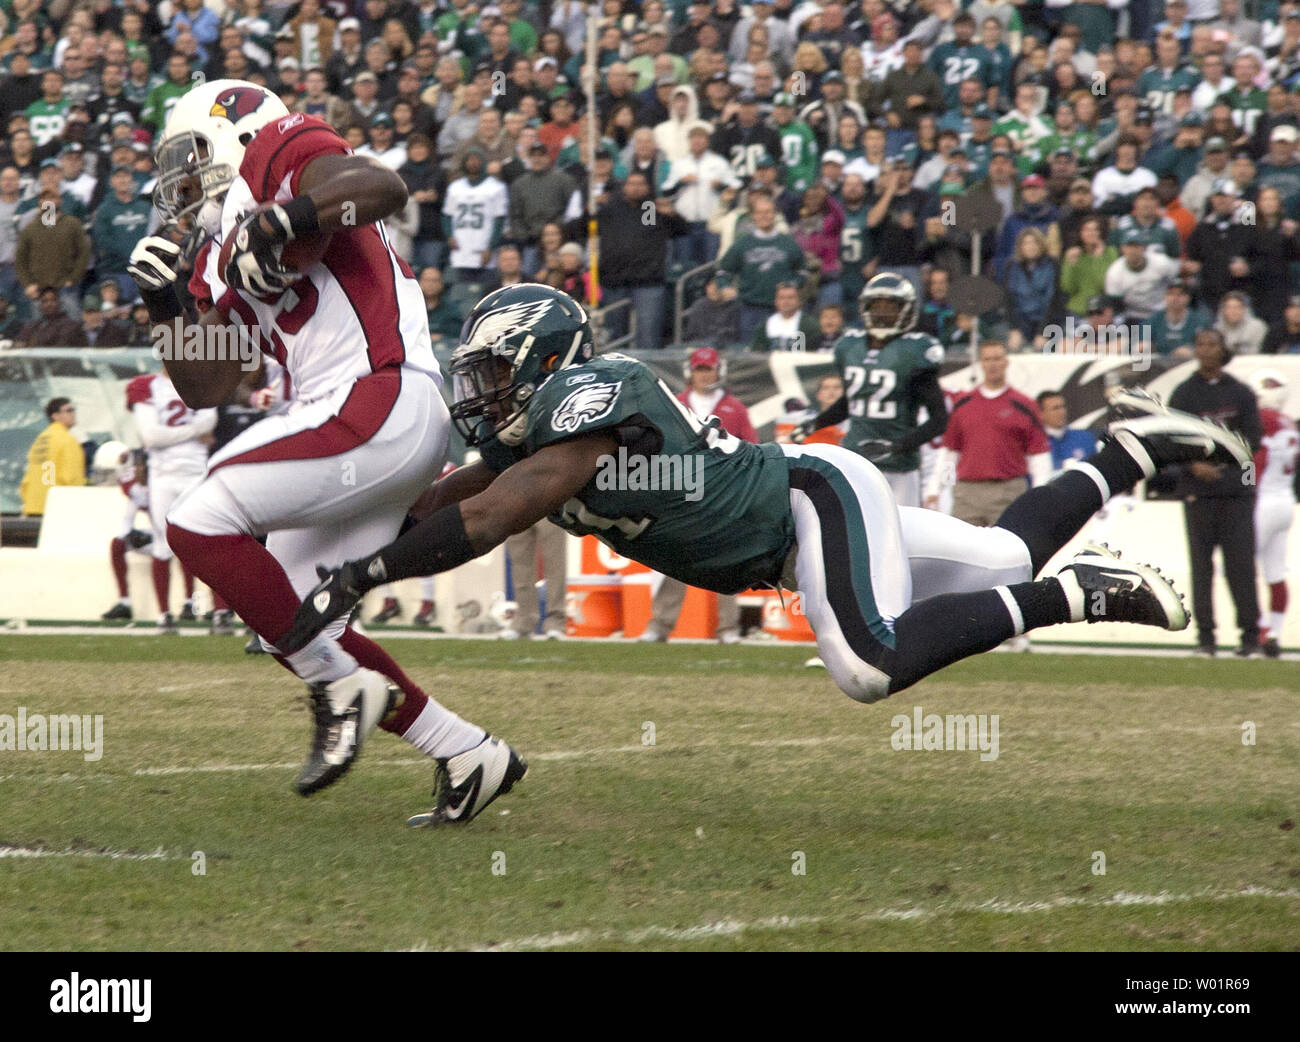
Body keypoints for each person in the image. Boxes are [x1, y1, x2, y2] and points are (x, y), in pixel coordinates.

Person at [280, 283, 1252, 713]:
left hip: (805, 497)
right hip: (784, 536)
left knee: (867, 668)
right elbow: (450, 496)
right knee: (997, 557)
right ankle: (1129, 452)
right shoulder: (529, 432)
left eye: (496, 374)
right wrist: (331, 550)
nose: (480, 395)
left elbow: (492, 515)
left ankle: (1074, 594)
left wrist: (364, 574)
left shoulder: (591, 396)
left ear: (544, 363)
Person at [128, 79, 524, 824]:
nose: (179, 183)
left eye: (188, 158)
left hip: (378, 392)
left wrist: (281, 221)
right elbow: (209, 381)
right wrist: (166, 307)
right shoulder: (218, 252)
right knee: (294, 618)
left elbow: (380, 186)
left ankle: (338, 690)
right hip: (358, 414)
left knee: (196, 518)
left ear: (233, 135)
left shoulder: (278, 153)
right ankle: (468, 752)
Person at [799, 274, 948, 509]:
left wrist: (896, 446)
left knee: (900, 535)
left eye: (891, 306)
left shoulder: (916, 350)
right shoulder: (850, 346)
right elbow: (851, 403)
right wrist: (817, 423)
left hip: (898, 467)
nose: (882, 313)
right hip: (854, 458)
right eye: (876, 305)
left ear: (907, 310)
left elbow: (940, 420)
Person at [641, 347, 756, 644]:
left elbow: (752, 448)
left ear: (720, 371)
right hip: (684, 490)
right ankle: (661, 623)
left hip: (724, 491)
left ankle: (728, 627)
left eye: (709, 369)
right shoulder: (675, 404)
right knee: (676, 557)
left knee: (726, 560)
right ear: (690, 372)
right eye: (700, 369)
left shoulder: (735, 408)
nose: (705, 374)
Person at [1166, 329, 1263, 657]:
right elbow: (1171, 439)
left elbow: (1253, 439)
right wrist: (1193, 466)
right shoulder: (1183, 395)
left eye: (1212, 344)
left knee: (1241, 566)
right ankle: (1205, 638)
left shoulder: (1240, 393)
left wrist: (1221, 462)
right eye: (1200, 344)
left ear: (1223, 350)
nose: (1205, 350)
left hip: (1236, 493)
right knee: (1201, 568)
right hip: (1199, 493)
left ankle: (1250, 636)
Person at [126, 370, 216, 633]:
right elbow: (150, 437)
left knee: (209, 540)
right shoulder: (145, 385)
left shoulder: (202, 380)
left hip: (197, 472)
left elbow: (210, 421)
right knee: (162, 545)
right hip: (163, 475)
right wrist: (193, 431)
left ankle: (219, 611)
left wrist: (171, 434)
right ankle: (164, 614)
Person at [926, 341, 1051, 526]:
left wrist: (1040, 494)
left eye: (997, 358)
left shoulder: (1024, 405)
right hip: (967, 492)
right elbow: (950, 452)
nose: (993, 364)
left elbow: (1038, 455)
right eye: (987, 359)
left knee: (1007, 547)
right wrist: (934, 489)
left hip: (1008, 490)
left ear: (1006, 362)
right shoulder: (963, 404)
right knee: (962, 548)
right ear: (980, 364)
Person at [1248, 370, 1298, 658]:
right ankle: (1274, 631)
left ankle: (1259, 629)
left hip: (1263, 501)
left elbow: (1258, 460)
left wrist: (1244, 486)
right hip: (1285, 501)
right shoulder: (1288, 421)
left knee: (1243, 567)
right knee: (1276, 571)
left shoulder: (1263, 420)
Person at [94, 442, 153, 622]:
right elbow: (129, 517)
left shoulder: (166, 484)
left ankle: (190, 603)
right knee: (117, 544)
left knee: (184, 546)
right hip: (159, 536)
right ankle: (124, 602)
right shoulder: (135, 487)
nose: (138, 469)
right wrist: (131, 535)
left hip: (172, 535)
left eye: (141, 465)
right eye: (136, 465)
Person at [19, 397, 85, 516]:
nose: (73, 414)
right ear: (55, 415)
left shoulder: (40, 440)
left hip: (33, 508)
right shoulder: (68, 440)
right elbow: (72, 478)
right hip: (56, 510)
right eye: (69, 410)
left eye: (73, 410)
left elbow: (28, 479)